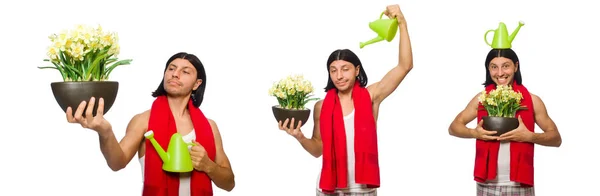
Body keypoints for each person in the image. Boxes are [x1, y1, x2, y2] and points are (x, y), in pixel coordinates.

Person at [277, 4, 413, 195]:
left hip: (363, 189)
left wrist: (402, 23)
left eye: (345, 69)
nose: (339, 76)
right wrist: (300, 137)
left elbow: (405, 66)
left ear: (357, 70)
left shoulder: (371, 96)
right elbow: (318, 150)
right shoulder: (321, 106)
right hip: (329, 189)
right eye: (333, 70)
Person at [66, 52, 235, 196]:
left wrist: (208, 166)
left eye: (185, 71)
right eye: (171, 68)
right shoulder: (143, 121)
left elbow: (229, 183)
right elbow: (117, 163)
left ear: (197, 84)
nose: (175, 74)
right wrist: (105, 132)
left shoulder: (209, 126)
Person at [448, 44, 562, 195]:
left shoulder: (533, 101)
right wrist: (474, 133)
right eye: (494, 67)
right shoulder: (482, 99)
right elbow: (453, 127)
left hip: (520, 185)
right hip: (487, 184)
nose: (500, 73)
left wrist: (529, 136)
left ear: (516, 66)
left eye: (506, 66)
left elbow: (556, 139)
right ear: (488, 69)